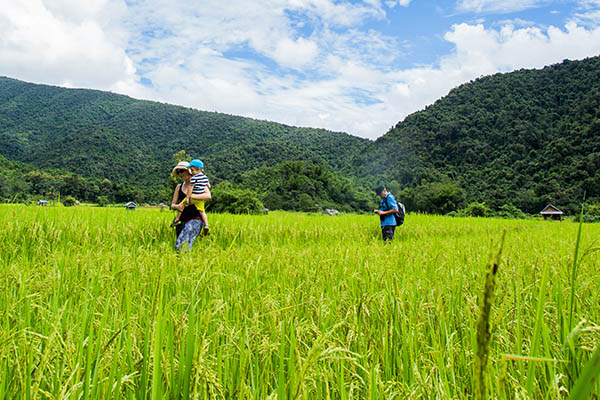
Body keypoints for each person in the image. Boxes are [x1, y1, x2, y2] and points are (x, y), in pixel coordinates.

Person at [170, 161, 211, 251]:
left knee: (182, 244)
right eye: (178, 172)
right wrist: (178, 206)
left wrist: (191, 197)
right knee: (180, 245)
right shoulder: (178, 187)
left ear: (189, 170)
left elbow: (208, 196)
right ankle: (182, 263)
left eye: (182, 171)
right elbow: (172, 205)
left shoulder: (199, 184)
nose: (180, 174)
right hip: (181, 220)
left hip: (195, 219)